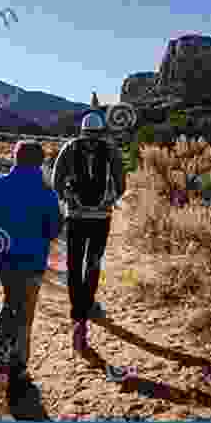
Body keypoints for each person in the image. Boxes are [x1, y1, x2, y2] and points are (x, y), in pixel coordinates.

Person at [0, 140, 64, 404]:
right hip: (33, 261)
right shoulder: (46, 191)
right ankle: (16, 367)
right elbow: (55, 227)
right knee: (24, 311)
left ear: (15, 157)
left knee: (11, 302)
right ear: (39, 162)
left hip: (3, 259)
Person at [51, 110, 126, 352]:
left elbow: (56, 181)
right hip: (101, 218)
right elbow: (121, 183)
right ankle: (88, 304)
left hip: (75, 216)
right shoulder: (111, 150)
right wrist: (109, 200)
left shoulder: (70, 148)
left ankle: (78, 313)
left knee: (73, 263)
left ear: (82, 131)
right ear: (101, 131)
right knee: (93, 262)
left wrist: (68, 198)